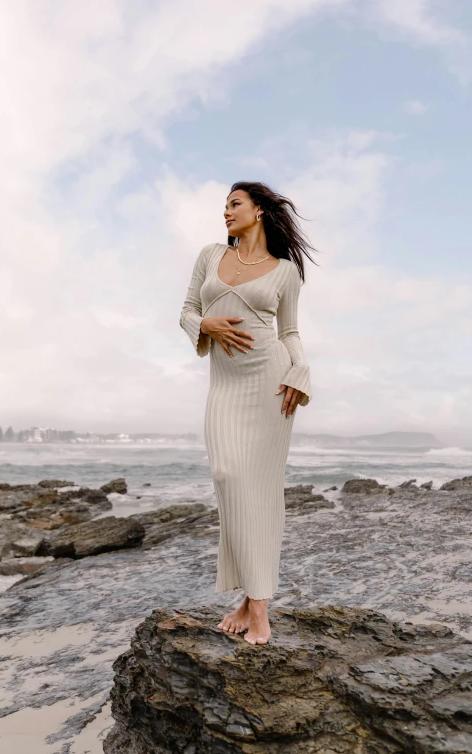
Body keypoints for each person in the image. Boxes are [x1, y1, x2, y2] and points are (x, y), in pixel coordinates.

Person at [179, 181, 317, 645]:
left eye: (234, 204)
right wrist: (205, 324)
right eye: (224, 205)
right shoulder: (210, 255)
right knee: (227, 474)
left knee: (261, 492)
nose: (225, 212)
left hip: (272, 384)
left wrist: (301, 369)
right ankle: (253, 594)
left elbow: (290, 330)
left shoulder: (284, 272)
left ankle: (256, 604)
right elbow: (187, 310)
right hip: (227, 386)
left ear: (258, 211)